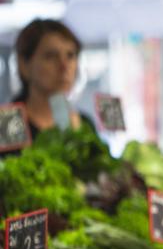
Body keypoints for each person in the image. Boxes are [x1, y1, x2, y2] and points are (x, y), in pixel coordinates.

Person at [2, 19, 94, 156]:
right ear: (24, 65)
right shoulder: (9, 122)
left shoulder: (85, 125)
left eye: (70, 55)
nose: (64, 66)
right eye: (50, 56)